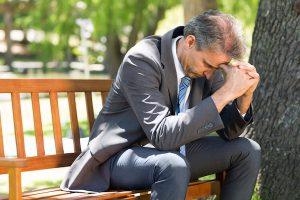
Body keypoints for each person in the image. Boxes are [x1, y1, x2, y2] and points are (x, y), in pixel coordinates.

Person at [60, 10, 261, 200]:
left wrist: (244, 96)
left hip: (172, 155)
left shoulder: (208, 67)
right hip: (119, 157)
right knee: (173, 165)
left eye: (217, 67)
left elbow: (229, 133)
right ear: (190, 41)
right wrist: (226, 92)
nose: (211, 74)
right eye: (208, 64)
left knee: (247, 150)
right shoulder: (143, 60)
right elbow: (163, 136)